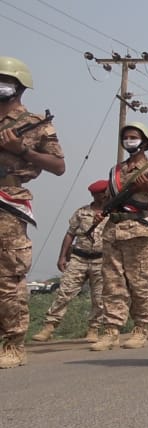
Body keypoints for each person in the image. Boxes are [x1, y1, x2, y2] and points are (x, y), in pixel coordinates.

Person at [0, 56, 66, 369]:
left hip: (8, 200)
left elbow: (58, 166)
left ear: (18, 87)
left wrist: (22, 151)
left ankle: (12, 343)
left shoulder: (36, 123)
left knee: (8, 276)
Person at [92, 121, 148, 351]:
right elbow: (109, 199)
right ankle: (111, 330)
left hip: (139, 230)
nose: (129, 141)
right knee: (112, 282)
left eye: (133, 137)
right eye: (126, 137)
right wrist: (101, 213)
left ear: (144, 141)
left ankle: (140, 328)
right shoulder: (115, 171)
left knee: (139, 282)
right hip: (113, 230)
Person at [33, 180, 108, 343]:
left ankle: (93, 329)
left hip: (101, 259)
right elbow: (70, 234)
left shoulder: (113, 213)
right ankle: (49, 327)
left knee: (99, 297)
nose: (103, 196)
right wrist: (62, 256)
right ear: (94, 195)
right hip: (79, 258)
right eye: (100, 193)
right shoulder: (82, 212)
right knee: (64, 292)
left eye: (105, 193)